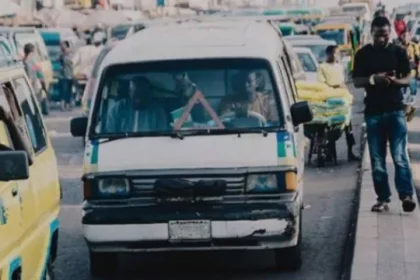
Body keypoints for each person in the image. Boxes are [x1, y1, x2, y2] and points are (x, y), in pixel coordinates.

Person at [352, 16, 416, 213]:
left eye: (385, 35)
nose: (382, 39)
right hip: (373, 113)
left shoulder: (398, 52)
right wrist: (373, 79)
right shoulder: (362, 54)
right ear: (372, 32)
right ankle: (383, 199)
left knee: (399, 156)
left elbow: (407, 78)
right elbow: (356, 81)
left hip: (396, 110)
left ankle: (406, 196)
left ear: (391, 33)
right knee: (377, 160)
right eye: (378, 35)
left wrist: (394, 82)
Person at [317, 45, 359, 161]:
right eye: (335, 54)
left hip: (341, 99)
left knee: (348, 126)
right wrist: (336, 86)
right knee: (330, 127)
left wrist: (345, 91)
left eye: (338, 54)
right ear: (329, 54)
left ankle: (350, 152)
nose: (337, 56)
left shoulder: (340, 67)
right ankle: (330, 152)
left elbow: (343, 83)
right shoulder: (322, 67)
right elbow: (322, 85)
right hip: (329, 100)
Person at [396, 29, 419, 121]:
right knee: (402, 96)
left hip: (412, 74)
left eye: (407, 36)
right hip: (402, 76)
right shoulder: (398, 47)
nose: (405, 38)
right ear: (401, 36)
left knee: (412, 95)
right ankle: (404, 113)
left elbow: (417, 60)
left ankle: (410, 110)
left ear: (409, 37)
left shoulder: (414, 46)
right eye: (404, 36)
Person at [58, 41, 73, 111]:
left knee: (69, 91)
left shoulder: (71, 54)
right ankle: (62, 106)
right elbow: (59, 60)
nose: (62, 47)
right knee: (64, 91)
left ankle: (68, 105)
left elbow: (72, 62)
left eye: (63, 45)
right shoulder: (61, 55)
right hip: (63, 76)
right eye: (61, 45)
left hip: (70, 75)